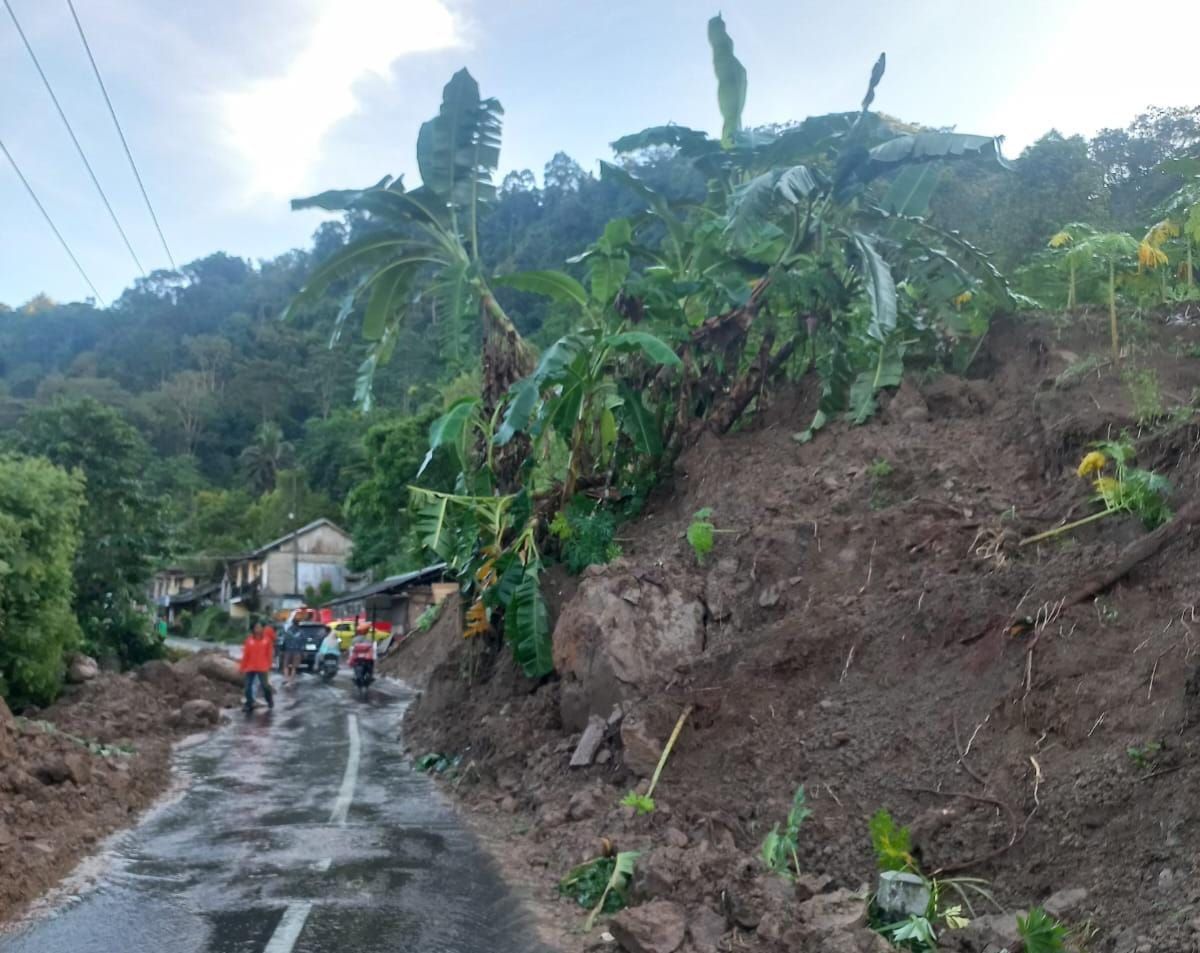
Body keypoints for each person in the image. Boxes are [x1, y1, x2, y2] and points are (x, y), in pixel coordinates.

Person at [240, 621, 274, 712]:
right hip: (250, 667)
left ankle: (269, 699)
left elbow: (269, 654)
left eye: (260, 627)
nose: (258, 629)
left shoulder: (267, 640)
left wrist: (269, 665)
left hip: (262, 667)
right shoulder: (249, 640)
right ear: (253, 629)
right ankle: (249, 703)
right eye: (256, 627)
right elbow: (246, 654)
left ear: (263, 628)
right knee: (247, 687)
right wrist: (242, 667)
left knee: (265, 686)